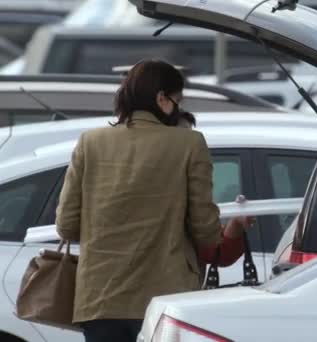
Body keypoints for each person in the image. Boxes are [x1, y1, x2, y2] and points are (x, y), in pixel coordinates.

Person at [55, 60, 251, 342]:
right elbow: (204, 229)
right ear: (162, 98)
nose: (176, 108)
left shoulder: (90, 142)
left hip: (100, 298)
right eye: (176, 100)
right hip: (166, 299)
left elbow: (66, 226)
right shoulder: (189, 144)